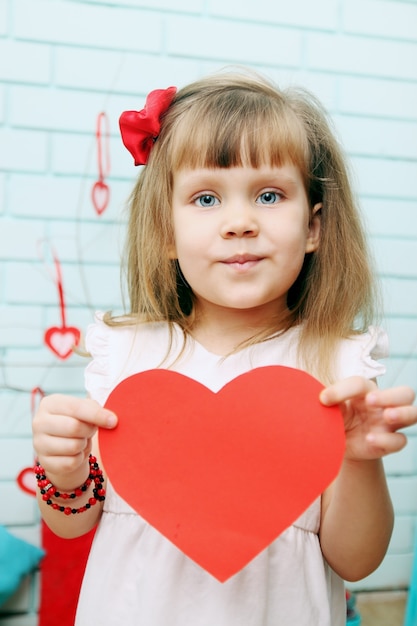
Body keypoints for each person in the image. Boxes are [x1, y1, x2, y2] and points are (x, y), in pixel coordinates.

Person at [32, 69, 417, 626]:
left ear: (313, 228)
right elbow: (73, 522)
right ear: (166, 229)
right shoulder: (129, 357)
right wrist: (63, 474)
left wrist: (359, 463)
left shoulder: (337, 370)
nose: (240, 222)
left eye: (268, 194)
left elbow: (355, 562)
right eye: (207, 197)